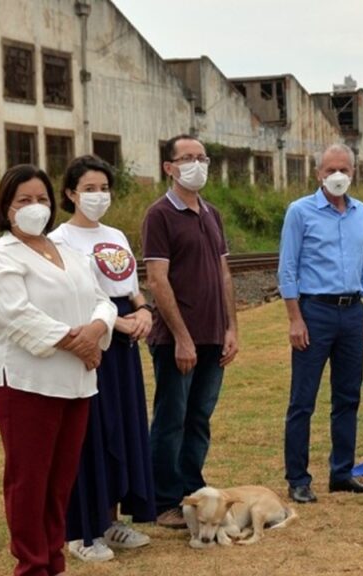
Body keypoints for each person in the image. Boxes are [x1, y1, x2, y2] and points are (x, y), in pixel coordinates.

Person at [0, 164, 116, 576]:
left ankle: (53, 560)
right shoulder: (1, 255)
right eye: (24, 200)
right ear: (6, 207)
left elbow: (102, 299)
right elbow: (16, 314)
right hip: (24, 381)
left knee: (58, 482)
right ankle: (32, 565)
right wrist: (80, 342)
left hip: (74, 382)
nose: (35, 207)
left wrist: (97, 329)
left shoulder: (67, 252)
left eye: (41, 199)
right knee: (28, 482)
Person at [49, 155, 157, 561]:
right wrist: (115, 325)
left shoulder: (115, 234)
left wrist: (144, 310)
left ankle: (111, 520)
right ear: (70, 193)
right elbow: (70, 297)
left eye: (104, 189)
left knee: (123, 431)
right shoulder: (60, 240)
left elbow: (129, 288)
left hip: (125, 348)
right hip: (92, 342)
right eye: (89, 189)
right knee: (90, 434)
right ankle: (81, 531)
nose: (98, 196)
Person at [142, 135, 240, 527]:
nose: (196, 164)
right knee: (172, 418)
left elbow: (224, 274)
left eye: (202, 157)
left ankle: (191, 486)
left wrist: (231, 326)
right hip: (177, 340)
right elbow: (157, 279)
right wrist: (181, 337)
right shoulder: (159, 215)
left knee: (200, 416)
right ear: (169, 167)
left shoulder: (211, 213)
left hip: (213, 335)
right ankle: (163, 499)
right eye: (187, 158)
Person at [278, 143, 363, 503]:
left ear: (354, 172)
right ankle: (298, 478)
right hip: (315, 311)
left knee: (348, 396)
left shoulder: (361, 212)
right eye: (330, 169)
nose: (338, 176)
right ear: (318, 173)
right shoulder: (300, 212)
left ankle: (342, 472)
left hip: (351, 311)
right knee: (303, 399)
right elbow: (288, 267)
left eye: (345, 170)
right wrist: (295, 318)